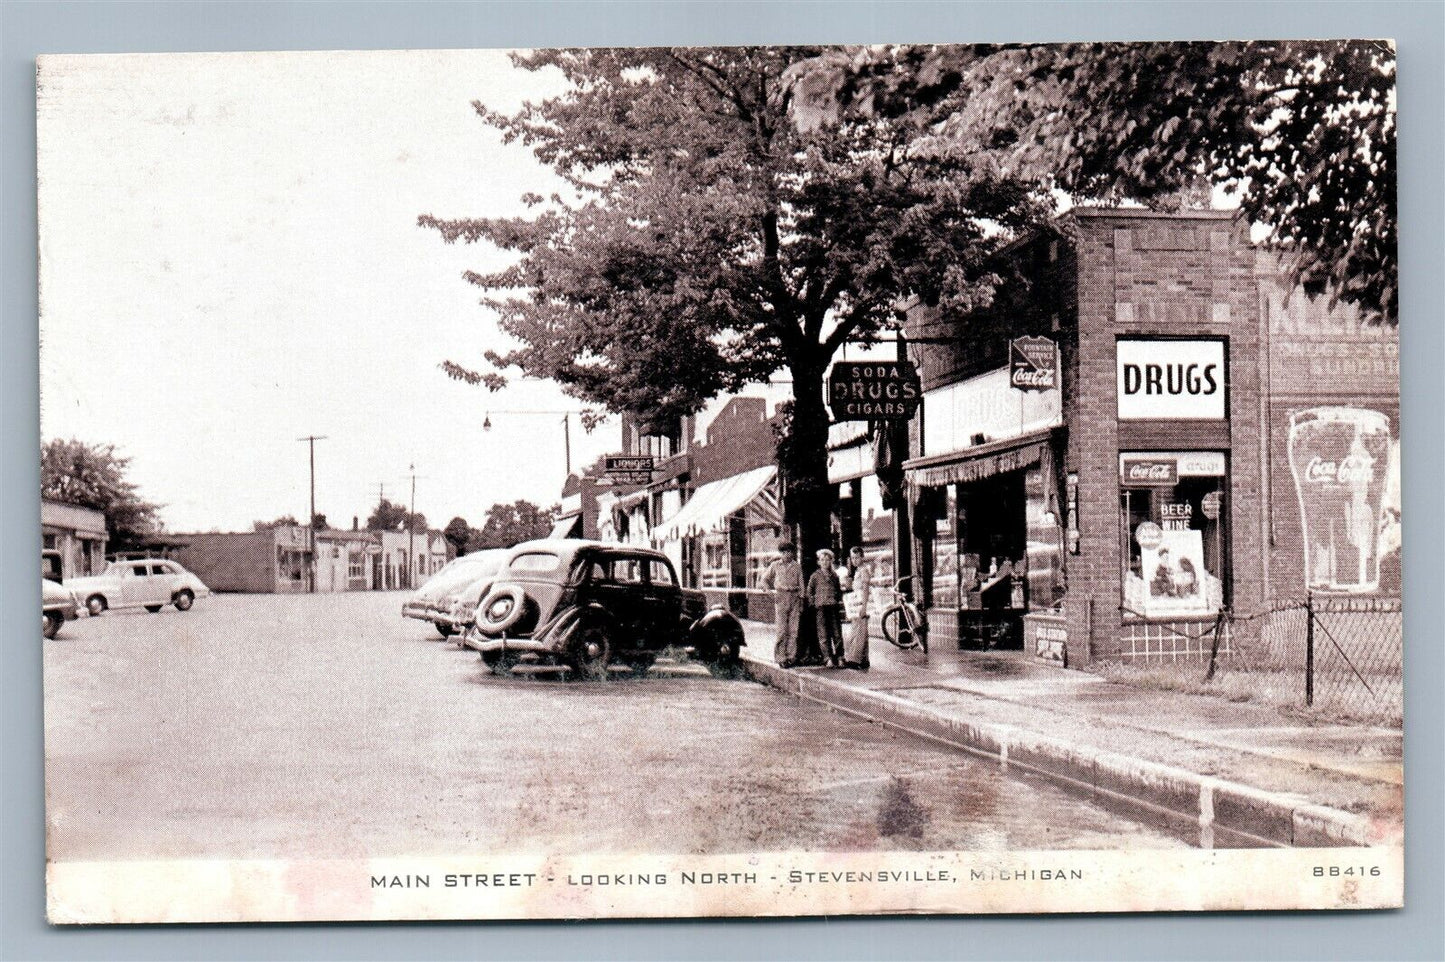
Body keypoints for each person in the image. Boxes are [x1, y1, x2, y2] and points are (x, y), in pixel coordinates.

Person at [759, 542, 804, 668]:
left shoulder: (797, 566)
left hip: (794, 596)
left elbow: (801, 585)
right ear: (781, 553)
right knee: (782, 629)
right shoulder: (775, 565)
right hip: (781, 596)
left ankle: (791, 656)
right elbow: (764, 579)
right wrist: (769, 592)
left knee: (793, 629)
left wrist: (801, 600)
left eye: (789, 551)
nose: (787, 554)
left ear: (793, 552)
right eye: (784, 552)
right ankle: (780, 657)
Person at [807, 548, 844, 668]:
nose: (825, 562)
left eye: (827, 560)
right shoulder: (815, 576)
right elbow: (810, 590)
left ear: (831, 561)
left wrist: (837, 599)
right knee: (823, 633)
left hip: (833, 607)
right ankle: (827, 657)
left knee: (836, 633)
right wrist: (813, 602)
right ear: (819, 562)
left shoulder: (834, 576)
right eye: (822, 560)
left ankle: (839, 656)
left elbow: (838, 591)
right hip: (821, 608)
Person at [843, 546, 873, 670]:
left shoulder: (863, 571)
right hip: (858, 603)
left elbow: (866, 589)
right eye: (852, 558)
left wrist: (864, 607)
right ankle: (864, 659)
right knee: (862, 631)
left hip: (861, 604)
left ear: (862, 557)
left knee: (858, 631)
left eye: (857, 557)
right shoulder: (858, 570)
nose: (854, 560)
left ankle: (854, 659)